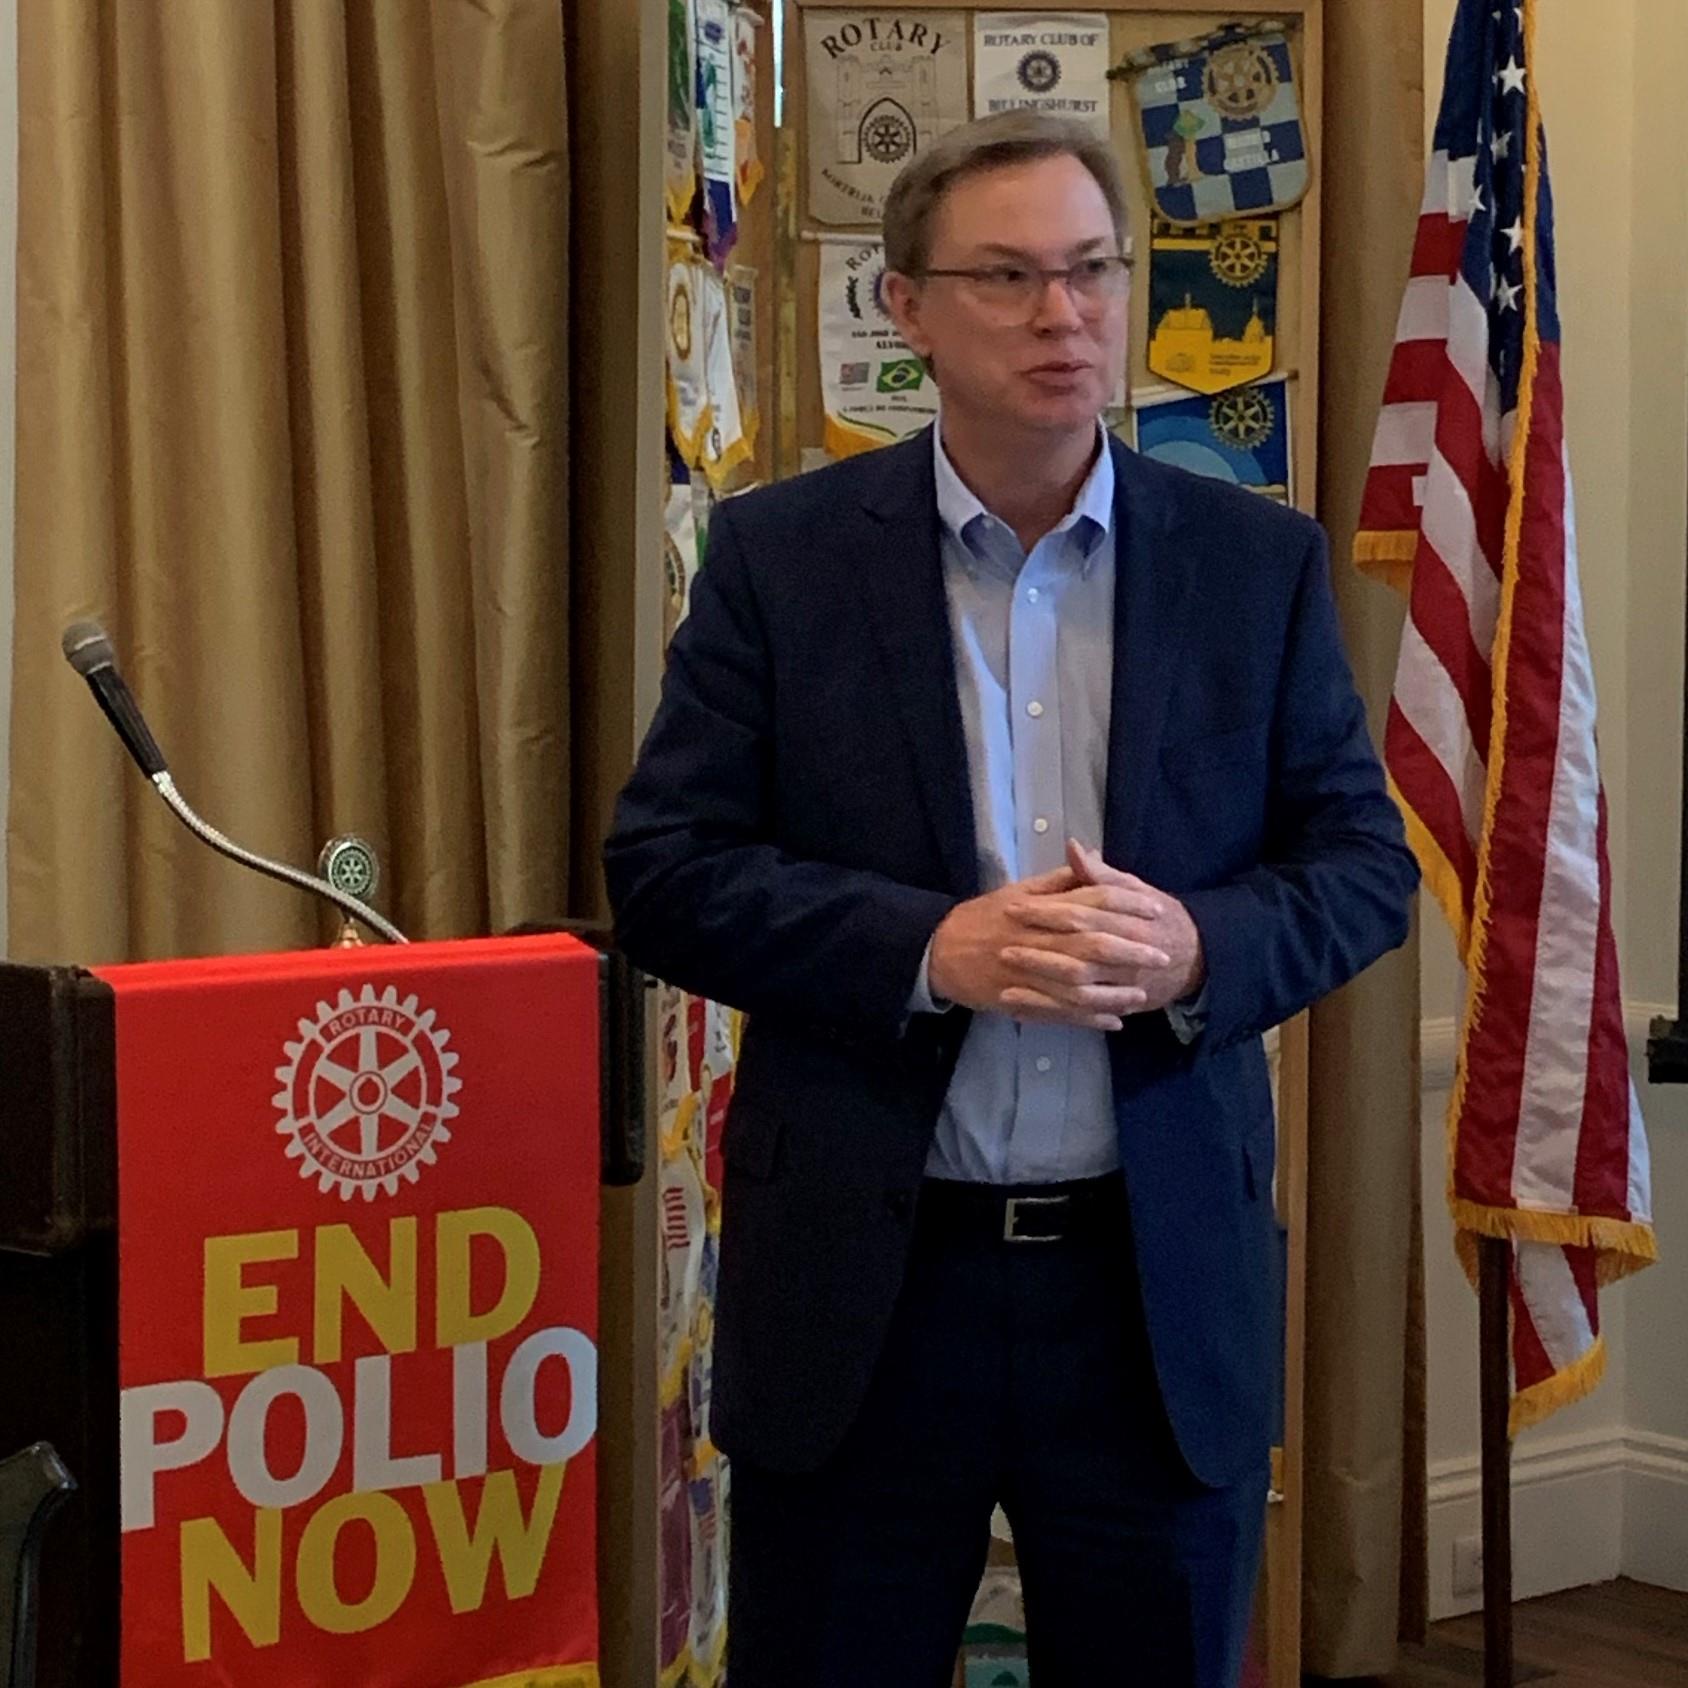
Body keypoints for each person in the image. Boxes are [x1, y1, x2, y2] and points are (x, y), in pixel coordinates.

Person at [605, 110, 1417, 1688]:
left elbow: (1361, 865)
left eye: (1095, 271)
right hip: (868, 1289)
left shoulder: (1254, 565)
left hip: (1149, 1292)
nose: (1066, 315)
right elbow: (666, 872)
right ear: (906, 306)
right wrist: (930, 948)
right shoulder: (782, 561)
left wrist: (1198, 946)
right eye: (1010, 277)